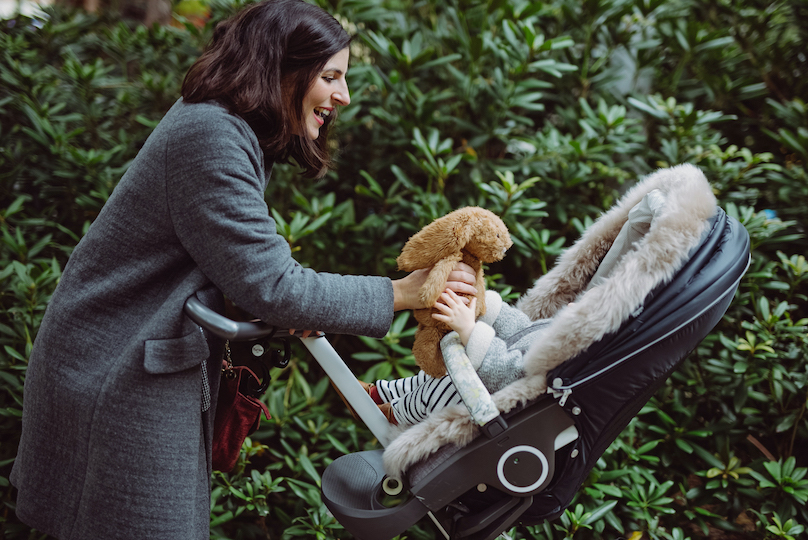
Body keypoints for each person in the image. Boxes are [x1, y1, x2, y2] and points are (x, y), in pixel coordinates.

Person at [9, 1, 476, 539]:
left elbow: (240, 270)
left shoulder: (225, 129)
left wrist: (262, 300)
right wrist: (405, 292)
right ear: (281, 69)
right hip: (116, 366)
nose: (343, 96)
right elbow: (274, 285)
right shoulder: (210, 136)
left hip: (128, 355)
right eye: (331, 77)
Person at [363, 288, 553, 426]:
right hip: (482, 392)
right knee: (438, 373)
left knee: (447, 386)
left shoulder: (571, 350)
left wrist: (469, 330)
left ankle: (393, 415)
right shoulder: (561, 331)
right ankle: (380, 393)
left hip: (489, 408)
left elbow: (513, 376)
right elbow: (521, 332)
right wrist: (481, 306)